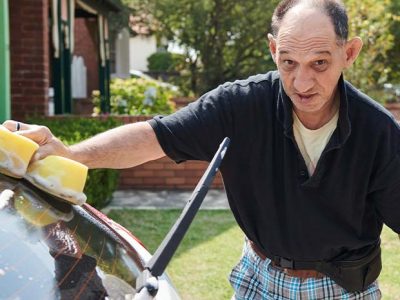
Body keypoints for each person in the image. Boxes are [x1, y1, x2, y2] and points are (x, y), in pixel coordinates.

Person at [3, 0, 400, 298]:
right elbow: (154, 135)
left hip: (343, 289)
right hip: (259, 279)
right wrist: (73, 155)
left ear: (348, 53)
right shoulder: (240, 105)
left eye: (319, 63)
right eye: (288, 61)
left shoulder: (379, 133)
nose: (301, 82)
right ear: (272, 50)